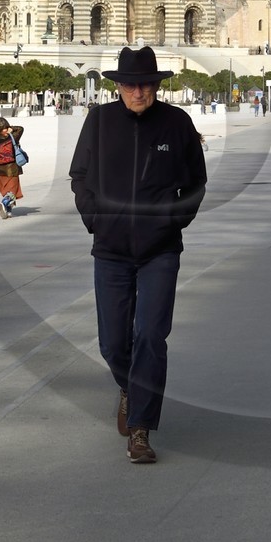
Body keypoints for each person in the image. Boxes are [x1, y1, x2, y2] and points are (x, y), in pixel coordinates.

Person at [70, 46, 207, 465]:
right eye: (130, 84)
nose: (138, 91)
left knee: (150, 335)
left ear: (156, 85)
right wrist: (97, 220)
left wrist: (171, 221)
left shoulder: (177, 123)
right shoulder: (99, 122)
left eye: (146, 84)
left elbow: (196, 184)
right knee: (113, 344)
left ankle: (141, 430)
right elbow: (80, 177)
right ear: (118, 87)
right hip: (110, 250)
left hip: (159, 251)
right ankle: (131, 387)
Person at [0, 117, 24, 219]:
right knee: (12, 192)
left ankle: (8, 211)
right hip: (11, 169)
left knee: (7, 192)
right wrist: (10, 128)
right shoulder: (13, 137)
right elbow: (21, 128)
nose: (4, 131)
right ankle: (4, 203)